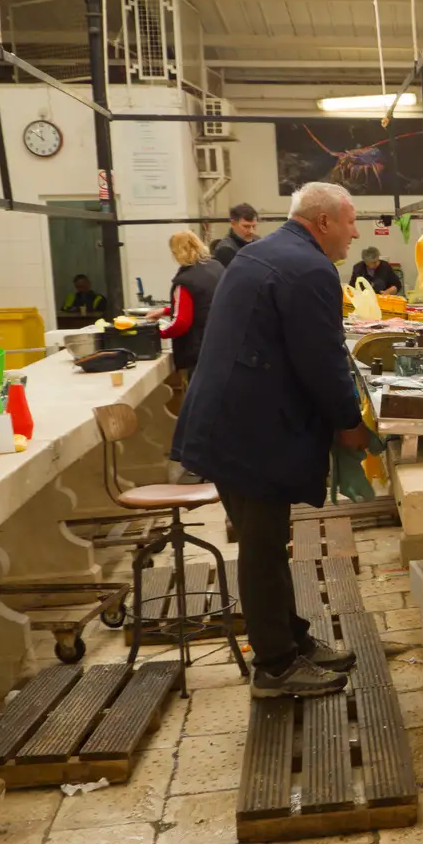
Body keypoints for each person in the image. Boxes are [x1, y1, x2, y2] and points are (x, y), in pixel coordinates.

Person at [172, 182, 367, 699]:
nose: (354, 233)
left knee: (269, 542)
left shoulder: (259, 252)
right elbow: (320, 360)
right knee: (260, 547)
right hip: (248, 429)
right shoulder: (309, 269)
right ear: (322, 221)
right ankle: (276, 668)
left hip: (230, 417)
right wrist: (350, 420)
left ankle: (293, 640)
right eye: (350, 221)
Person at [145, 232, 224, 379]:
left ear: (177, 252)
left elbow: (181, 323)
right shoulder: (216, 267)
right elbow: (204, 303)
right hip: (221, 345)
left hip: (199, 352)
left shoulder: (186, 281)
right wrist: (166, 311)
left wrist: (154, 333)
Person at [211, 203, 258, 267]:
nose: (251, 231)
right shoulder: (225, 250)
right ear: (233, 224)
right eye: (246, 226)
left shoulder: (258, 241)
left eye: (254, 226)